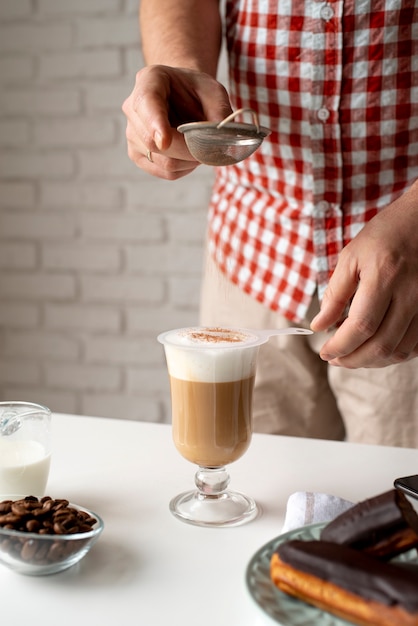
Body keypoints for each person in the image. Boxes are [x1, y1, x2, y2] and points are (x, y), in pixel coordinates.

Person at [122, 0, 418, 447]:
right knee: (251, 482)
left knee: (399, 505)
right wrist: (182, 71)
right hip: (253, 252)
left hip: (407, 269)